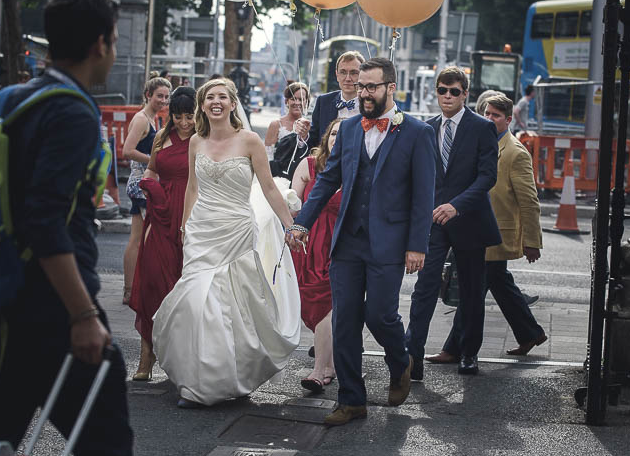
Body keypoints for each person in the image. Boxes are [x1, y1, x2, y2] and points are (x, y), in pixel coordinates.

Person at [0, 0, 137, 456]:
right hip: (56, 310)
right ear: (102, 44)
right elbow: (44, 217)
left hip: (0, 302)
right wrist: (83, 315)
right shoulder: (75, 113)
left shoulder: (11, 98)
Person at [287, 57, 435, 426]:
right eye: (362, 87)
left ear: (390, 88)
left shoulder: (417, 132)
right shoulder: (350, 129)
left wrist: (418, 244)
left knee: (380, 315)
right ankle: (352, 400)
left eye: (372, 86)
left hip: (389, 241)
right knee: (346, 321)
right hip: (348, 242)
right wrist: (301, 222)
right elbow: (326, 180)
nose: (364, 92)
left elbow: (424, 194)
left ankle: (400, 360)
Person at [152, 78, 300, 408]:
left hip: (235, 228)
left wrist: (291, 226)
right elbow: (193, 186)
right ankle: (196, 379)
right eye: (209, 98)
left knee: (227, 305)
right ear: (202, 106)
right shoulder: (196, 142)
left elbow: (269, 189)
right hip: (202, 231)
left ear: (233, 104)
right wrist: (186, 225)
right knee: (194, 302)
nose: (216, 102)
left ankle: (225, 378)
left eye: (222, 97)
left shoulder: (249, 141)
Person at [428, 94, 548, 363]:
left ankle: (455, 349)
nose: (490, 118)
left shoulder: (515, 152)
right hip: (471, 228)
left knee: (474, 291)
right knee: (496, 283)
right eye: (487, 113)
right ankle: (530, 332)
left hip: (495, 234)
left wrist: (532, 240)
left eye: (496, 115)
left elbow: (529, 200)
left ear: (508, 120)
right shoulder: (474, 141)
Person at [405, 66, 501, 379]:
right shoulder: (425, 128)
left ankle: (468, 353)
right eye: (442, 91)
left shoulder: (482, 127)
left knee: (472, 291)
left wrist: (456, 206)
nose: (447, 96)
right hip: (433, 221)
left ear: (465, 94)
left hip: (470, 219)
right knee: (424, 287)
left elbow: (487, 176)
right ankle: (413, 356)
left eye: (454, 91)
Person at [128, 85, 196, 381]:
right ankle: (147, 354)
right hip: (160, 214)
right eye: (179, 116)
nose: (184, 122)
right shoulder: (160, 137)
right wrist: (148, 185)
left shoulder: (203, 139)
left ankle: (179, 358)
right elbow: (152, 171)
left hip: (192, 217)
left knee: (183, 290)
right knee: (153, 281)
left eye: (189, 116)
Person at [290, 117, 343, 393]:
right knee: (311, 302)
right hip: (308, 244)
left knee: (326, 302)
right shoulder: (309, 165)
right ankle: (330, 364)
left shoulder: (357, 170)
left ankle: (319, 369)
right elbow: (291, 203)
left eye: (342, 134)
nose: (336, 138)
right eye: (333, 133)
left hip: (338, 245)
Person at [121, 76, 170, 304]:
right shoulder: (142, 119)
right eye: (159, 95)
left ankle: (130, 288)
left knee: (137, 237)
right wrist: (153, 160)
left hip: (144, 182)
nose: (163, 100)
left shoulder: (153, 118)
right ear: (148, 95)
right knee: (142, 239)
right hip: (141, 183)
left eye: (166, 97)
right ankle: (132, 289)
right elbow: (127, 150)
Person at [307, 50, 364, 148]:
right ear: (337, 75)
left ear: (362, 75)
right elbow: (313, 141)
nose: (348, 78)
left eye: (354, 73)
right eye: (343, 72)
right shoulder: (323, 102)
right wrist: (303, 137)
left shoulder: (371, 104)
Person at [265, 81, 310, 162]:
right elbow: (268, 155)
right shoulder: (276, 125)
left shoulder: (310, 126)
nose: (297, 103)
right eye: (293, 99)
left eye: (301, 99)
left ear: (306, 102)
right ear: (286, 101)